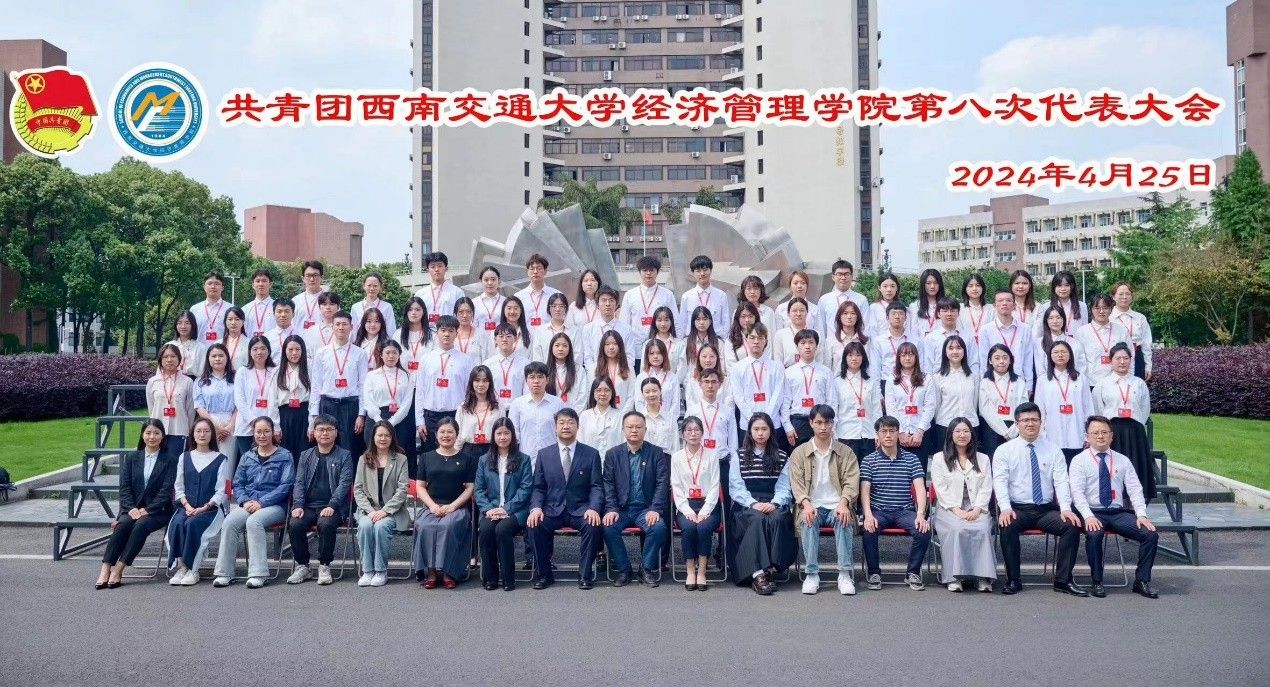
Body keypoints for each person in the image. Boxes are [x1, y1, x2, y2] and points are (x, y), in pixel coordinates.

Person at [991, 402, 1087, 596]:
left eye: (1034, 419)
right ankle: (1013, 579)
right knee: (1007, 524)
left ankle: (1063, 580)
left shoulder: (1053, 450)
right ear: (1017, 424)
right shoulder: (1004, 450)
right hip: (1017, 509)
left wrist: (1066, 508)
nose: (1030, 424)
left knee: (1071, 525)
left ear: (1041, 422)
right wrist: (1005, 508)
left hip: (1045, 510)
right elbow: (1000, 482)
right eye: (1025, 420)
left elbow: (1061, 481)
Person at [1069, 416, 1160, 598]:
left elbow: (1135, 489)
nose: (1100, 436)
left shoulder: (1122, 460)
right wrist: (1087, 516)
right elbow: (1076, 493)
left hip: (1117, 512)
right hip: (1092, 511)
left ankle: (1141, 581)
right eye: (1095, 433)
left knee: (1150, 534)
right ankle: (1097, 581)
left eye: (1104, 432)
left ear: (1112, 436)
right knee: (1095, 534)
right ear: (1087, 436)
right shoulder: (1079, 461)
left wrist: (1141, 515)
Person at [212, 417, 295, 589]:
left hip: (275, 506)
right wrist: (244, 501)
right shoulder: (247, 456)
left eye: (266, 431)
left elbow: (286, 486)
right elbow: (238, 483)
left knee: (254, 522)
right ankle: (224, 573)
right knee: (229, 522)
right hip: (249, 503)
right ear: (253, 433)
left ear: (273, 433)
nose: (262, 435)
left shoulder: (285, 456)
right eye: (258, 432)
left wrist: (262, 503)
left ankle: (259, 573)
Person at [528, 408, 605, 589]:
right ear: (555, 427)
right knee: (534, 524)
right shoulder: (544, 454)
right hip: (552, 509)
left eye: (571, 422)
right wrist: (536, 508)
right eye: (561, 423)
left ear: (578, 427)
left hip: (581, 509)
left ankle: (585, 575)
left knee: (593, 524)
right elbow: (538, 487)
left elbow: (596, 486)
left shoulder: (591, 454)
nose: (566, 426)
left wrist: (594, 508)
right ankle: (544, 575)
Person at [95, 419, 177, 589]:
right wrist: (132, 508)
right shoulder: (132, 458)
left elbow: (166, 491)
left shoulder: (170, 460)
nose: (152, 437)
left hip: (158, 511)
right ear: (142, 435)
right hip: (131, 509)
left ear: (163, 436)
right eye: (148, 433)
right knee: (123, 525)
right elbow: (124, 487)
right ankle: (105, 568)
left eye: (156, 433)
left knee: (140, 526)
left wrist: (148, 510)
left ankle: (119, 568)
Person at [789, 405, 860, 595]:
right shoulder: (799, 452)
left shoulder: (845, 452)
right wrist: (806, 504)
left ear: (833, 424)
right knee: (808, 519)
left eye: (827, 422)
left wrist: (844, 503)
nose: (823, 427)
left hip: (837, 505)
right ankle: (812, 574)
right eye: (818, 422)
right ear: (811, 423)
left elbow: (852, 481)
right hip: (811, 505)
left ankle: (844, 574)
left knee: (843, 518)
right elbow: (796, 483)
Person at [859, 415, 931, 591]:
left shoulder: (911, 459)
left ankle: (912, 572)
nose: (888, 435)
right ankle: (874, 573)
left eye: (892, 431)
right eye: (884, 431)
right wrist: (868, 515)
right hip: (878, 510)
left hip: (904, 511)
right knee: (869, 529)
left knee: (923, 530)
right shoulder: (869, 460)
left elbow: (920, 489)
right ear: (877, 434)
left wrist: (921, 515)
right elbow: (864, 491)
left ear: (898, 433)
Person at [601, 411, 671, 587]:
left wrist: (655, 508)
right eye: (630, 427)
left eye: (638, 427)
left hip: (646, 509)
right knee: (608, 527)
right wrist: (611, 509)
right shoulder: (612, 454)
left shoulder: (656, 453)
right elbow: (608, 484)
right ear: (623, 429)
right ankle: (624, 570)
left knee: (659, 528)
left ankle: (646, 568)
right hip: (621, 509)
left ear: (645, 429)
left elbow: (662, 483)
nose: (634, 430)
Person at [728, 413, 795, 594]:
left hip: (773, 502)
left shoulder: (782, 456)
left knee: (778, 518)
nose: (760, 433)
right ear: (749, 432)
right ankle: (758, 574)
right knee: (757, 519)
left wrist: (775, 503)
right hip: (747, 505)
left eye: (764, 429)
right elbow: (736, 487)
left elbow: (784, 487)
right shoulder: (739, 456)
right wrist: (753, 503)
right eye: (756, 429)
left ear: (771, 431)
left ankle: (770, 569)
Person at [286, 415, 355, 586]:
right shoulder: (305, 455)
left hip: (335, 507)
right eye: (321, 430)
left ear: (336, 433)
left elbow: (345, 483)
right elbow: (299, 482)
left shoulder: (344, 455)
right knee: (295, 523)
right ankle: (303, 566)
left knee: (325, 523)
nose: (325, 433)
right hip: (309, 506)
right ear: (314, 433)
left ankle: (324, 565)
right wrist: (298, 505)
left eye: (329, 430)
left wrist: (332, 505)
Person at [928, 417, 995, 592]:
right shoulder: (939, 458)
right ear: (950, 434)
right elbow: (940, 489)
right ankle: (954, 577)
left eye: (966, 431)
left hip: (977, 506)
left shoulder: (983, 459)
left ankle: (983, 577)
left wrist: (977, 509)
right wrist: (957, 511)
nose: (962, 435)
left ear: (972, 434)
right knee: (957, 528)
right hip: (948, 507)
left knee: (982, 528)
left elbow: (987, 487)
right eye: (957, 431)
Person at [166, 418, 231, 586]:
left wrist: (204, 507)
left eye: (206, 431)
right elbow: (178, 486)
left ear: (212, 435)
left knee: (192, 524)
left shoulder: (220, 459)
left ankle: (193, 569)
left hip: (211, 510)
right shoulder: (184, 457)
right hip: (186, 507)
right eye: (198, 431)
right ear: (193, 435)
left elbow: (221, 491)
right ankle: (182, 567)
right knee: (178, 523)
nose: (202, 434)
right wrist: (187, 505)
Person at [413, 417, 475, 589]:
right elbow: (420, 486)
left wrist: (453, 506)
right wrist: (432, 506)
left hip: (457, 508)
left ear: (457, 434)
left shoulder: (467, 459)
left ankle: (449, 572)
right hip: (432, 507)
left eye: (450, 432)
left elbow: (470, 488)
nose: (446, 435)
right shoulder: (426, 457)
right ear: (436, 434)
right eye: (442, 432)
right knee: (425, 525)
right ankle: (431, 571)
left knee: (447, 526)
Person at [475, 418, 534, 591]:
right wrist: (488, 509)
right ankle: (490, 578)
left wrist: (505, 509)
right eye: (499, 433)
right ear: (493, 436)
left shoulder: (523, 459)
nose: (502, 437)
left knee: (502, 530)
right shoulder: (484, 460)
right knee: (486, 530)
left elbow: (525, 489)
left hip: (516, 511)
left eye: (506, 433)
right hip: (491, 510)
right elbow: (479, 490)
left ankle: (509, 578)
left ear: (512, 435)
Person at [1093, 342, 1155, 501]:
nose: (1122, 362)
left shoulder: (1139, 383)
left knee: (1137, 470)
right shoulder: (1102, 384)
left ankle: (1136, 506)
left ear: (1131, 360)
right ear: (1110, 361)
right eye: (1118, 358)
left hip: (1135, 432)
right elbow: (1098, 409)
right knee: (1114, 470)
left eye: (1126, 358)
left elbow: (1144, 409)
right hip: (1113, 433)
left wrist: (1136, 424)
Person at [353, 420, 411, 587]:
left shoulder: (401, 459)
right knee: (365, 526)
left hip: (392, 511)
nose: (383, 438)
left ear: (392, 438)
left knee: (380, 526)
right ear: (373, 437)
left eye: (387, 435)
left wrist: (384, 511)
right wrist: (371, 511)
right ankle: (367, 571)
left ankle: (380, 571)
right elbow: (358, 489)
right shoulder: (364, 459)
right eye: (380, 435)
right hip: (369, 511)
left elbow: (402, 490)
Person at [671, 416, 721, 591]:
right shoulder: (676, 457)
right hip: (686, 505)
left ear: (702, 432)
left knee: (704, 527)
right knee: (689, 527)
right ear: (683, 434)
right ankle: (690, 570)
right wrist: (687, 511)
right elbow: (676, 487)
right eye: (689, 430)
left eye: (697, 430)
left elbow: (715, 485)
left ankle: (702, 571)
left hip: (709, 504)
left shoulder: (712, 455)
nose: (693, 434)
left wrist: (705, 510)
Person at [415, 315, 473, 464]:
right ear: (437, 332)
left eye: (451, 331)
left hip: (456, 415)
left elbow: (469, 392)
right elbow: (420, 391)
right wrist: (419, 421)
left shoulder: (465, 360)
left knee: (455, 458)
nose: (447, 334)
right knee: (430, 458)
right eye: (443, 330)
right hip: (430, 416)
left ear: (457, 333)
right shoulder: (426, 359)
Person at [312, 311, 367, 457]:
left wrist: (361, 414)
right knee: (326, 446)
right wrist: (314, 415)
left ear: (351, 327)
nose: (341, 327)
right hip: (327, 404)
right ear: (332, 327)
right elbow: (316, 386)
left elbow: (363, 385)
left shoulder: (360, 353)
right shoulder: (321, 353)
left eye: (344, 324)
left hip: (350, 406)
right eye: (337, 324)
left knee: (350, 448)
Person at [363, 339, 418, 475]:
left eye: (394, 352)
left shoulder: (407, 376)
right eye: (387, 353)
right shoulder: (372, 375)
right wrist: (380, 421)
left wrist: (392, 422)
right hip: (376, 418)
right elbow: (368, 400)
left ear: (399, 355)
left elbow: (407, 403)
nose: (391, 356)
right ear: (381, 355)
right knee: (375, 454)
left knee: (399, 455)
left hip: (400, 419)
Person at [731, 323, 788, 452]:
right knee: (748, 460)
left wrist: (766, 420)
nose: (756, 341)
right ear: (746, 339)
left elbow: (778, 394)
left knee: (773, 460)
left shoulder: (777, 367)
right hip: (747, 424)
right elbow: (738, 397)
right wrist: (753, 421)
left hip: (772, 423)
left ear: (766, 340)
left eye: (760, 338)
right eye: (752, 337)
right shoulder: (737, 367)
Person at [1034, 340, 1094, 461]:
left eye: (1063, 352)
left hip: (1076, 433)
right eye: (1056, 352)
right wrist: (1041, 434)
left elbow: (1088, 408)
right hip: (1052, 435)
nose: (1060, 355)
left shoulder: (1081, 379)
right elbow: (1040, 410)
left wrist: (1089, 434)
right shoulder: (1043, 380)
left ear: (1070, 355)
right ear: (1050, 356)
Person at [781, 329, 837, 447]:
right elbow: (785, 402)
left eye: (811, 342)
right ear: (797, 347)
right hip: (797, 421)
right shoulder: (789, 372)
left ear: (816, 346)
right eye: (803, 343)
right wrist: (787, 426)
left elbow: (831, 400)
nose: (807, 346)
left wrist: (832, 425)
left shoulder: (826, 372)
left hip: (821, 421)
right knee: (798, 456)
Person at [927, 335, 979, 457]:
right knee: (945, 462)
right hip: (945, 426)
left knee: (969, 461)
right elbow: (937, 405)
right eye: (951, 348)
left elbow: (975, 402)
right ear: (945, 352)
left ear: (964, 351)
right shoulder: (937, 377)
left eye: (958, 348)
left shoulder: (973, 376)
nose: (955, 351)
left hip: (970, 425)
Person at [885, 341, 935, 468]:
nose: (907, 358)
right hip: (899, 434)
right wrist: (900, 432)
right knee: (899, 472)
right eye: (903, 355)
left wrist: (920, 432)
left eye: (911, 354)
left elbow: (930, 406)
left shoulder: (927, 378)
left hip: (921, 433)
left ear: (916, 357)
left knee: (920, 472)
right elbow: (891, 407)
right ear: (898, 358)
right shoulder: (891, 379)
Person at [507, 361, 567, 461]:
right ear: (526, 380)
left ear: (547, 380)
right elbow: (513, 435)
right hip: (525, 459)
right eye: (532, 377)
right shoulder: (517, 404)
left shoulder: (557, 403)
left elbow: (561, 433)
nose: (536, 381)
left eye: (540, 377)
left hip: (551, 458)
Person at [977, 344, 1029, 456]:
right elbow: (985, 409)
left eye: (1005, 358)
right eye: (997, 358)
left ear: (1010, 360)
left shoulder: (1019, 382)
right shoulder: (985, 382)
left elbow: (1024, 408)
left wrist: (1014, 430)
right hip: (991, 429)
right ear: (990, 361)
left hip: (1015, 428)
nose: (1001, 361)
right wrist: (1004, 431)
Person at [622, 255, 678, 357]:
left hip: (660, 349)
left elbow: (676, 321)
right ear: (639, 272)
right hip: (635, 348)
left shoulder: (667, 294)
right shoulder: (629, 295)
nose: (648, 273)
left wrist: (677, 345)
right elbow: (624, 324)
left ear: (657, 272)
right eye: (645, 270)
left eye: (652, 270)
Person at [835, 341, 883, 461]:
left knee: (867, 470)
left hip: (868, 434)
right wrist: (834, 433)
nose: (854, 358)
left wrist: (878, 433)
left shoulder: (871, 382)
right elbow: (834, 409)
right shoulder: (837, 382)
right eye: (850, 355)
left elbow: (877, 410)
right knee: (847, 470)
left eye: (858, 355)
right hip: (845, 434)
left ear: (863, 358)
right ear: (844, 358)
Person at [233, 335, 279, 458]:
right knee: (249, 462)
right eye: (255, 349)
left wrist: (269, 425)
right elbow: (239, 400)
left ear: (269, 351)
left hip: (269, 427)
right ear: (250, 352)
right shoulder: (242, 372)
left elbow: (276, 400)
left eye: (263, 348)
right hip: (246, 426)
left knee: (268, 461)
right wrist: (254, 422)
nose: (259, 352)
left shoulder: (275, 371)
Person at [1074, 293, 1131, 390]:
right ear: (1091, 310)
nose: (1101, 311)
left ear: (1111, 309)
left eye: (1105, 308)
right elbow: (1078, 361)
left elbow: (1130, 356)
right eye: (1097, 308)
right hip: (1091, 383)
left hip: (1117, 383)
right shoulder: (1082, 332)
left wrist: (1128, 379)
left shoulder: (1121, 330)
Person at [195, 344, 239, 467]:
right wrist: (216, 427)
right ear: (208, 359)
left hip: (231, 422)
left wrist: (229, 427)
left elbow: (239, 405)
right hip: (208, 423)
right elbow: (199, 407)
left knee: (227, 463)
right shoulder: (200, 381)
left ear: (227, 358)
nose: (217, 359)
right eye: (213, 356)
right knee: (208, 462)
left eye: (221, 355)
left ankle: (226, 481)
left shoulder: (236, 378)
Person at [147, 343, 196, 454]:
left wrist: (189, 431)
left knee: (177, 462)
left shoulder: (187, 382)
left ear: (179, 359)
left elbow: (190, 410)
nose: (169, 360)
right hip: (157, 432)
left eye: (173, 356)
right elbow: (151, 407)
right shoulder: (152, 381)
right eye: (165, 357)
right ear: (160, 360)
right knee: (158, 461)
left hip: (179, 430)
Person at [274, 335, 313, 463]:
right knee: (285, 453)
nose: (294, 353)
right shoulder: (277, 371)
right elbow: (273, 401)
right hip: (285, 415)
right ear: (284, 351)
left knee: (304, 453)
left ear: (303, 350)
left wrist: (312, 423)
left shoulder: (310, 368)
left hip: (304, 414)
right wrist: (276, 426)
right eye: (290, 349)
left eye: (297, 349)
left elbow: (314, 398)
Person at [983, 289, 1033, 387]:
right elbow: (984, 359)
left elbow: (1028, 360)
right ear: (994, 305)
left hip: (1019, 381)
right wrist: (985, 383)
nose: (1004, 303)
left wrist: (1029, 385)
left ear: (1014, 305)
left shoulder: (1025, 329)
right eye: (1000, 300)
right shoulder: (986, 330)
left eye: (1008, 300)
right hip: (995, 382)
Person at [456, 364, 504, 462]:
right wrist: (455, 456)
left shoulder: (498, 407)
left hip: (491, 451)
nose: (481, 384)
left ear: (490, 383)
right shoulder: (463, 407)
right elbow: (458, 435)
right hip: (468, 451)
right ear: (471, 382)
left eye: (485, 380)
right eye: (477, 380)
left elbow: (502, 432)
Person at [582, 286, 636, 372]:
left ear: (616, 305)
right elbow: (588, 358)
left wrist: (618, 373)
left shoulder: (626, 329)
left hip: (619, 374)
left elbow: (630, 357)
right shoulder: (588, 329)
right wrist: (594, 373)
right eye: (604, 300)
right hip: (596, 374)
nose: (607, 304)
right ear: (597, 305)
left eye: (611, 300)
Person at [679, 254, 733, 340]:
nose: (702, 273)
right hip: (693, 340)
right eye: (698, 271)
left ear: (710, 271)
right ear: (693, 273)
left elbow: (726, 321)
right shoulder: (686, 296)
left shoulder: (721, 295)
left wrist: (724, 340)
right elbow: (682, 322)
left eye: (705, 270)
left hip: (716, 339)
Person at [922, 298, 980, 377]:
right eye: (945, 311)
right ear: (938, 314)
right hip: (939, 380)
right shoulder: (931, 338)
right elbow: (927, 366)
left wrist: (973, 380)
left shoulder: (968, 336)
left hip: (964, 379)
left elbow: (974, 363)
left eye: (953, 311)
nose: (949, 314)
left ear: (958, 313)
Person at [1033, 304, 1086, 384]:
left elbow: (1081, 367)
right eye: (1051, 318)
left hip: (1072, 384)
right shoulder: (1040, 342)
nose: (1055, 321)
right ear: (1046, 321)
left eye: (1058, 317)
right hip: (1049, 385)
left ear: (1063, 320)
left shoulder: (1075, 343)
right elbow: (1040, 370)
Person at [817, 259, 869, 339]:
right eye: (839, 274)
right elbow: (821, 327)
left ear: (852, 277)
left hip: (855, 344)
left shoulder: (861, 299)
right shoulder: (824, 300)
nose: (843, 277)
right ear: (833, 277)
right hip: (831, 344)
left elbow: (865, 326)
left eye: (846, 274)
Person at [1111, 282, 1153, 380]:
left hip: (1137, 357)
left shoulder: (1140, 318)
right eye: (1121, 294)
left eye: (1128, 294)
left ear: (1131, 297)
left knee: (1136, 387)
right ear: (1113, 296)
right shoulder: (1108, 318)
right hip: (1115, 358)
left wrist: (1148, 366)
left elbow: (1146, 344)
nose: (1124, 297)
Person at [692, 368, 736, 460]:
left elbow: (733, 440)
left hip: (722, 459)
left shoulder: (728, 411)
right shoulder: (692, 411)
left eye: (713, 382)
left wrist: (733, 461)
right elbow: (687, 437)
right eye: (706, 381)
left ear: (719, 384)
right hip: (700, 459)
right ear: (700, 384)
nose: (710, 386)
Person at [485, 323, 530, 410]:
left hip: (517, 410)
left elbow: (527, 392)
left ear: (515, 339)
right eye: (501, 336)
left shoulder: (525, 364)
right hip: (494, 410)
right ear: (495, 339)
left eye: (508, 336)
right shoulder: (488, 364)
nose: (504, 339)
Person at [416, 251, 465, 330]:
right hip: (426, 334)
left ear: (446, 268)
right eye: (432, 267)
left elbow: (461, 317)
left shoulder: (457, 292)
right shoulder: (420, 294)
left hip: (449, 334)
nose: (436, 269)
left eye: (440, 266)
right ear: (428, 270)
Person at [868, 302, 918, 379]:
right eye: (893, 314)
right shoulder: (879, 341)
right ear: (887, 318)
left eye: (900, 313)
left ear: (905, 317)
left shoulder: (915, 341)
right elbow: (875, 368)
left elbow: (920, 365)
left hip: (910, 381)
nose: (897, 317)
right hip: (886, 380)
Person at [545, 332, 592, 412]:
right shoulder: (545, 370)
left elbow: (583, 396)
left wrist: (572, 416)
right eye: (557, 345)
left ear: (570, 348)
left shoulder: (579, 370)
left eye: (565, 345)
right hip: (550, 414)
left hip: (574, 415)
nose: (560, 349)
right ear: (551, 348)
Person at [513, 253, 563, 328]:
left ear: (545, 271)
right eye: (532, 269)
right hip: (526, 335)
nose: (535, 272)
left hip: (549, 334)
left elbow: (563, 319)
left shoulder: (556, 295)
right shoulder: (518, 297)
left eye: (539, 268)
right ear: (527, 271)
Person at [579, 376, 623, 461]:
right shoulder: (585, 416)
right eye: (598, 390)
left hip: (613, 463)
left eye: (607, 390)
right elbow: (580, 443)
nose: (603, 394)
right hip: (589, 463)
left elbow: (623, 444)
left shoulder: (619, 416)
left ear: (612, 393)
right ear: (593, 393)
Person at [593, 330, 638, 409]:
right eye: (607, 344)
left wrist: (624, 414)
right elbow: (591, 394)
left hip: (623, 411)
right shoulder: (594, 368)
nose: (611, 347)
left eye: (615, 344)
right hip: (601, 412)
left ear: (620, 346)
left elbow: (632, 395)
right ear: (602, 347)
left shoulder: (629, 368)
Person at [636, 337, 681, 415]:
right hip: (646, 419)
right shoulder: (641, 377)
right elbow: (638, 403)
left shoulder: (672, 377)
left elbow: (675, 403)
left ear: (664, 355)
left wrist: (667, 419)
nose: (655, 356)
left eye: (659, 353)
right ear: (647, 356)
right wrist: (647, 418)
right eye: (652, 353)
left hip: (667, 419)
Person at [775, 270, 824, 340]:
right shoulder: (781, 308)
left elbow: (820, 334)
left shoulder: (815, 309)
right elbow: (778, 334)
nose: (799, 286)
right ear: (790, 286)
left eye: (803, 283)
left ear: (807, 286)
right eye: (795, 283)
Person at [1034, 270, 1084, 336]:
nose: (1063, 289)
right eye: (1059, 285)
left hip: (1076, 342)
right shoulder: (1045, 307)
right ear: (1054, 288)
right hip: (1053, 342)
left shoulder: (1082, 306)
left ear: (1072, 287)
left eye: (1067, 285)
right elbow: (1041, 331)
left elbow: (1084, 331)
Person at [824, 300, 870, 373]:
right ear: (839, 317)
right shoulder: (831, 341)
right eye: (845, 313)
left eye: (853, 313)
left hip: (861, 379)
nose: (849, 317)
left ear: (857, 317)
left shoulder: (865, 341)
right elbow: (827, 368)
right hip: (837, 379)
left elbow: (869, 366)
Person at [638, 377, 680, 453]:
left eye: (654, 391)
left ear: (660, 391)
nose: (651, 394)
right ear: (642, 394)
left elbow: (675, 446)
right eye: (647, 392)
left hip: (665, 458)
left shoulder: (670, 418)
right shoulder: (638, 418)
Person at [350, 271, 397, 335]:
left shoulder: (387, 307)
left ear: (380, 287)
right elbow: (353, 331)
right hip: (360, 341)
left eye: (375, 286)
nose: (372, 288)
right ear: (364, 286)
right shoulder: (355, 307)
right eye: (369, 285)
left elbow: (391, 330)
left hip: (381, 341)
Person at [530, 292, 572, 363]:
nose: (557, 309)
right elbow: (537, 357)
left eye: (561, 306)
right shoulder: (540, 331)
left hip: (569, 369)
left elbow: (577, 356)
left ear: (566, 308)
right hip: (545, 369)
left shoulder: (574, 331)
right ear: (549, 308)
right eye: (554, 306)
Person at [397, 296, 435, 375]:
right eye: (410, 309)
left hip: (425, 378)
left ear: (423, 312)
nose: (413, 313)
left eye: (417, 309)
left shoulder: (433, 335)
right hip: (403, 378)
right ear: (406, 312)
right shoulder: (398, 334)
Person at [772, 297, 814, 368]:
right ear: (788, 314)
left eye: (802, 310)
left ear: (807, 312)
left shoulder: (815, 334)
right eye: (794, 311)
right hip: (787, 372)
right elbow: (778, 362)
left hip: (811, 372)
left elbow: (819, 361)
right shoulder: (780, 335)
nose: (798, 314)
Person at [645, 305, 685, 376]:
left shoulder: (679, 344)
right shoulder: (647, 343)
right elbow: (644, 368)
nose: (663, 324)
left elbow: (682, 369)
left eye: (666, 320)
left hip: (673, 382)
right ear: (654, 322)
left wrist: (672, 381)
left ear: (671, 322)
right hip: (651, 382)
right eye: (659, 320)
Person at [191, 272, 229, 343]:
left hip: (223, 349)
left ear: (222, 288)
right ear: (204, 287)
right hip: (199, 349)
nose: (213, 286)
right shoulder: (195, 309)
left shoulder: (230, 309)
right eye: (209, 283)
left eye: (217, 284)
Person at [908, 268, 946, 339]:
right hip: (921, 344)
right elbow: (913, 332)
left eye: (935, 283)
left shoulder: (945, 306)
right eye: (928, 283)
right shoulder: (915, 306)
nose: (932, 286)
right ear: (923, 285)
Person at [168, 310, 205, 379]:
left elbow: (203, 373)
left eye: (187, 323)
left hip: (194, 381)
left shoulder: (201, 348)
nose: (183, 326)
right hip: (171, 381)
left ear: (193, 325)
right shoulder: (168, 346)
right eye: (179, 323)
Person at [957, 272, 990, 350]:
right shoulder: (959, 309)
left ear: (983, 288)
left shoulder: (991, 309)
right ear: (965, 289)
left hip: (987, 348)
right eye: (970, 286)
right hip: (966, 348)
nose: (974, 289)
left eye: (978, 285)